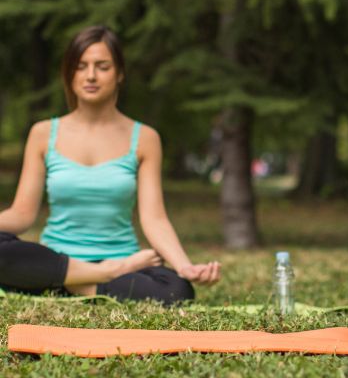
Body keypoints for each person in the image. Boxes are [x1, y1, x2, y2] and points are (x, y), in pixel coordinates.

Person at [0, 25, 220, 304]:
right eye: (81, 66)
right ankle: (95, 276)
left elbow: (154, 218)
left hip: (121, 261)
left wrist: (184, 266)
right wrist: (105, 272)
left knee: (177, 290)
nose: (90, 75)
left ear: (119, 74)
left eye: (102, 66)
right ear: (69, 73)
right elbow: (22, 214)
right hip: (59, 260)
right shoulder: (43, 133)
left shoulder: (145, 138)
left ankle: (67, 284)